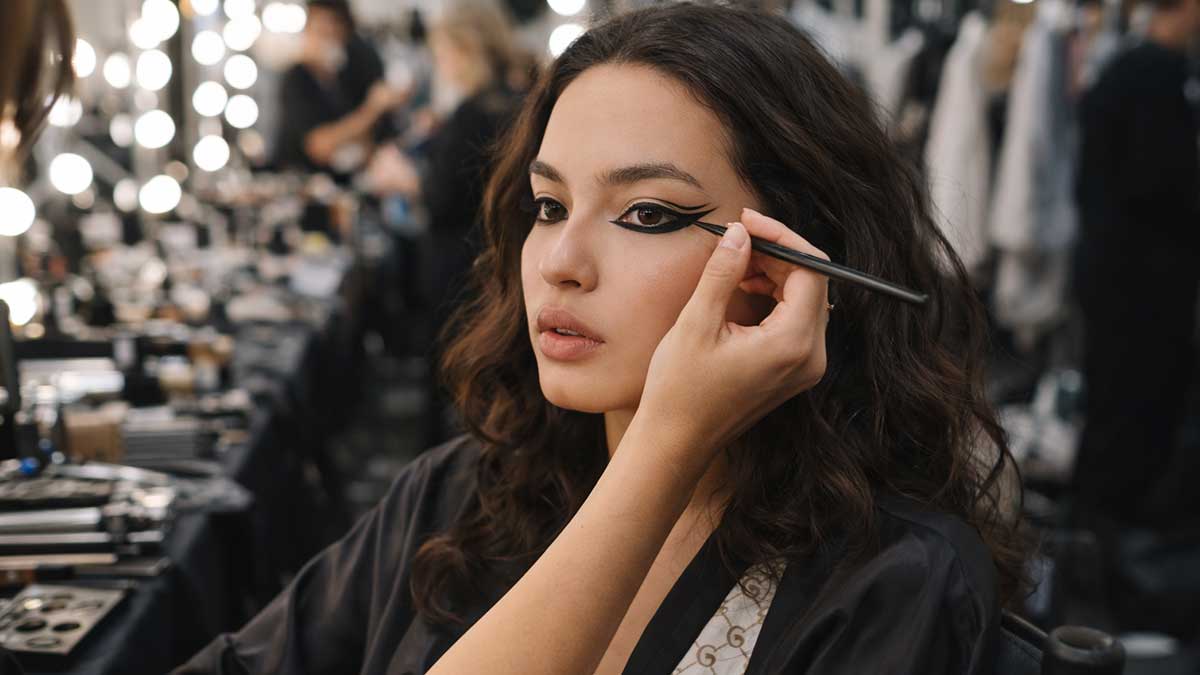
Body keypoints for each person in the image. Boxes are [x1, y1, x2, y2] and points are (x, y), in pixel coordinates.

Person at [176, 4, 1026, 673]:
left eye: (646, 214)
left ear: (789, 261)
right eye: (548, 206)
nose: (560, 262)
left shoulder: (896, 580)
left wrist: (667, 442)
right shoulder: (461, 495)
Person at [365, 1, 525, 444]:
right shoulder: (512, 102)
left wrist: (404, 179)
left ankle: (442, 469)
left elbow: (445, 199)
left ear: (467, 49)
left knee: (453, 379)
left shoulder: (476, 112)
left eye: (443, 53)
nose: (440, 64)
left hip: (460, 268)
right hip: (485, 263)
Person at [1071, 0, 1200, 532]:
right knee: (1134, 414)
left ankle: (1091, 538)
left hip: (1114, 273)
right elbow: (1160, 184)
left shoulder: (1125, 67)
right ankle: (1105, 544)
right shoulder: (1157, 74)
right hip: (1141, 285)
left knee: (1112, 407)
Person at [273, 0, 406, 177]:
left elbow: (366, 141)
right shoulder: (296, 79)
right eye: (321, 31)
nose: (328, 41)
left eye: (334, 32)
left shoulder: (350, 76)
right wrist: (372, 109)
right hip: (299, 178)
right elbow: (319, 146)